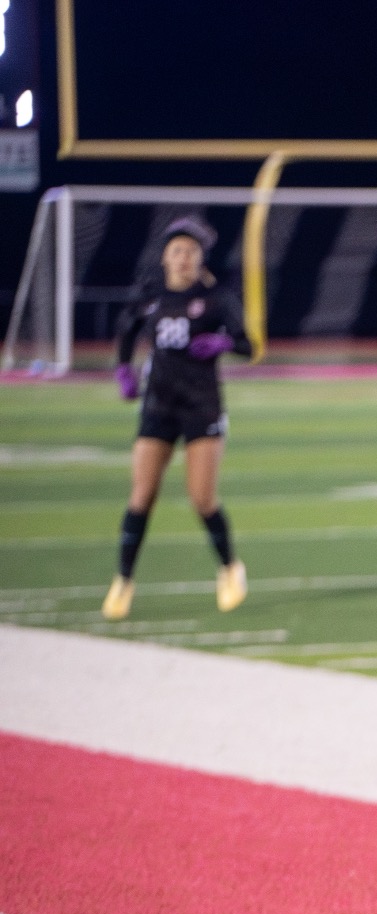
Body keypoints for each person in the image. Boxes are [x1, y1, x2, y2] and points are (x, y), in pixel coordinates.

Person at [102, 217, 250, 622]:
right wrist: (123, 370)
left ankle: (229, 568)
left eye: (191, 252)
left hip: (201, 405)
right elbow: (127, 329)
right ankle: (123, 580)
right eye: (177, 251)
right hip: (159, 405)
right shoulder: (150, 296)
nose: (184, 259)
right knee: (141, 496)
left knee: (202, 498)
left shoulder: (217, 298)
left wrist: (222, 341)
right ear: (165, 257)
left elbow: (247, 343)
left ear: (201, 258)